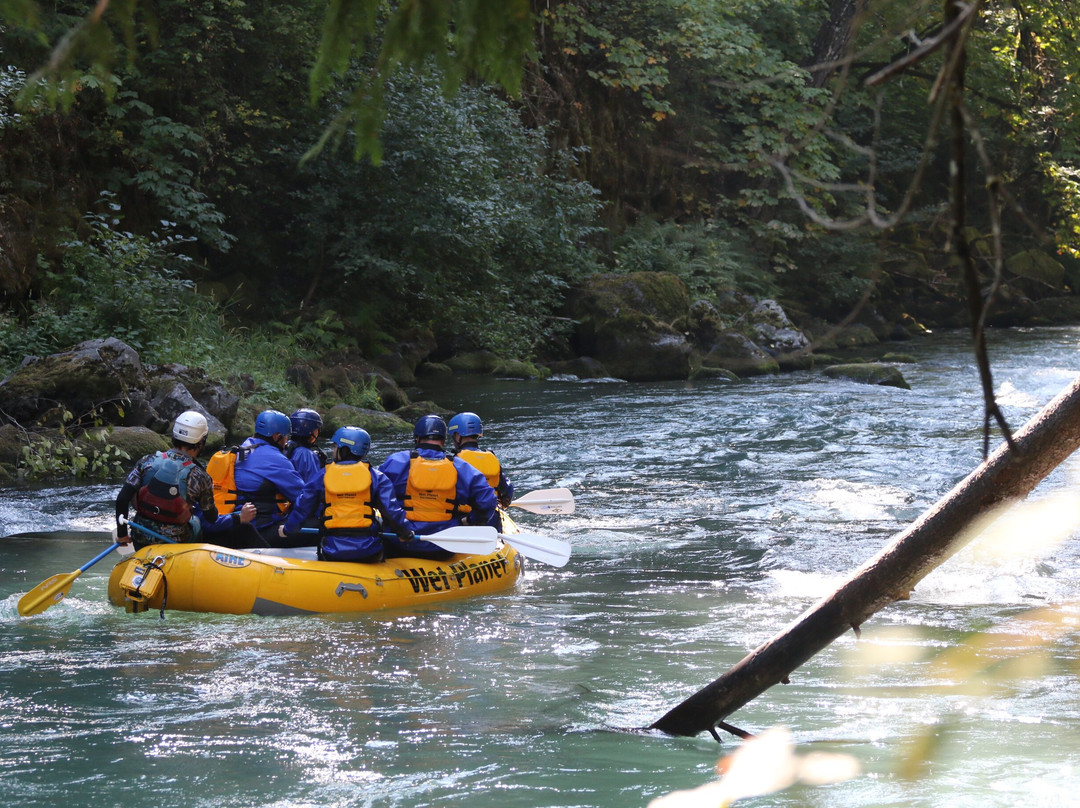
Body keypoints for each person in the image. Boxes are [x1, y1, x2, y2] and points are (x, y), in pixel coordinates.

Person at [115, 410, 262, 549]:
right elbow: (211, 518)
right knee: (197, 522)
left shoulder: (147, 460)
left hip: (140, 536)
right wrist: (238, 517)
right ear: (201, 442)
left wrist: (122, 534)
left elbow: (122, 499)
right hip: (177, 541)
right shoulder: (200, 476)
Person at [280, 426, 414, 562]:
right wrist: (405, 533)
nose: (333, 451)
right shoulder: (377, 477)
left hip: (332, 551)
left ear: (345, 449)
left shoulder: (322, 477)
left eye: (335, 447)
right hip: (369, 551)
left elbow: (303, 508)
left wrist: (287, 529)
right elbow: (391, 511)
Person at [378, 414, 500, 560]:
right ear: (443, 440)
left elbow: (373, 492)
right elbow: (488, 501)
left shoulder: (397, 461)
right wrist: (468, 521)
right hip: (444, 546)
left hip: (401, 542)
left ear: (417, 438)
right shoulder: (460, 467)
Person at [230, 408, 306, 546]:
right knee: (318, 524)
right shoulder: (274, 458)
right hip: (258, 531)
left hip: (236, 525)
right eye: (285, 437)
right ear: (277, 436)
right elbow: (304, 497)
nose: (286, 441)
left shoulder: (244, 447)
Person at [448, 411, 514, 508]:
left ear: (458, 436)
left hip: (462, 517)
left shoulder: (455, 460)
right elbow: (508, 489)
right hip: (491, 515)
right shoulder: (491, 457)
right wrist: (505, 501)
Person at [285, 407, 326, 486]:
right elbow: (313, 485)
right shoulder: (307, 455)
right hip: (300, 496)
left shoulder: (284, 446)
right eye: (317, 429)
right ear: (311, 431)